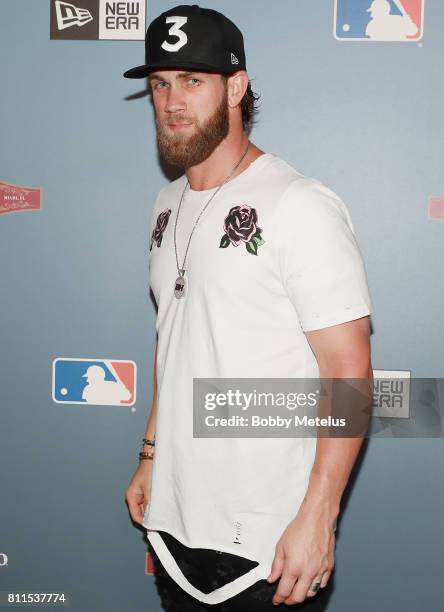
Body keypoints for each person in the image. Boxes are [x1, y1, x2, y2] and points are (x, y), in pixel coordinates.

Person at [124, 4, 374, 610]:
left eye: (192, 80)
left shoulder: (300, 204)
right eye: (160, 83)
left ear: (236, 87)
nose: (172, 101)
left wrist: (319, 518)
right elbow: (174, 340)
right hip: (177, 523)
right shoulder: (165, 204)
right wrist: (151, 455)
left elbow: (348, 373)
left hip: (272, 541)